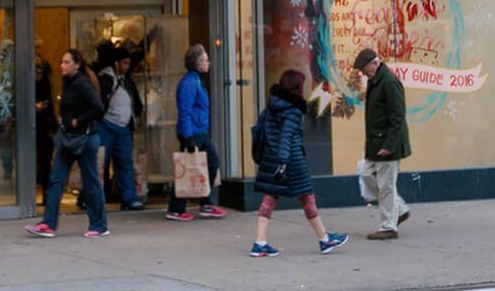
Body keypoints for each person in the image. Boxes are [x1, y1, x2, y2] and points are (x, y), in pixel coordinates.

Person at [249, 69, 348, 257]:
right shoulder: (293, 110)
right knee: (307, 199)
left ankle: (259, 242)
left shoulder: (272, 105)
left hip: (272, 160)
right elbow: (286, 137)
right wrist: (284, 161)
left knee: (269, 200)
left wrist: (276, 161)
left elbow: (263, 129)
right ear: (297, 87)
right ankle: (325, 240)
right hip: (291, 162)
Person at [26, 49, 109, 238]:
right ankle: (48, 223)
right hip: (68, 139)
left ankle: (99, 225)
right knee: (56, 179)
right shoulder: (67, 83)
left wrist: (78, 121)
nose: (62, 65)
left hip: (85, 139)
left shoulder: (83, 84)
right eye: (61, 62)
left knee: (91, 182)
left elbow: (98, 108)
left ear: (77, 64)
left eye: (66, 62)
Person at [352, 48, 411, 240]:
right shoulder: (376, 81)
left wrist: (389, 145)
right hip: (375, 143)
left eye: (364, 69)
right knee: (367, 175)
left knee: (386, 186)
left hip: (387, 144)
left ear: (375, 63)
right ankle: (400, 209)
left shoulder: (389, 82)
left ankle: (388, 226)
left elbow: (398, 117)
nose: (362, 73)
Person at [167, 44, 227, 221]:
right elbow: (184, 111)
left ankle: (206, 203)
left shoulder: (197, 80)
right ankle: (176, 209)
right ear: (198, 63)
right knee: (185, 168)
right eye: (206, 60)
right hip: (192, 132)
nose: (209, 63)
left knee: (212, 162)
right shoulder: (189, 83)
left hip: (199, 130)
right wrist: (188, 138)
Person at [98, 45, 146, 211]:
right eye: (124, 63)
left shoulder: (126, 79)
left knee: (125, 163)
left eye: (128, 63)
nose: (127, 67)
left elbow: (135, 101)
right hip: (106, 125)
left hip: (123, 128)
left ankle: (129, 199)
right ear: (116, 63)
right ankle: (93, 198)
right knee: (100, 164)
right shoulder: (105, 78)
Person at [34, 52, 57, 200]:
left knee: (45, 160)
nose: (37, 73)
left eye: (39, 70)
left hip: (44, 123)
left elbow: (49, 103)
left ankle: (46, 192)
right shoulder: (27, 82)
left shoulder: (46, 82)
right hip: (32, 123)